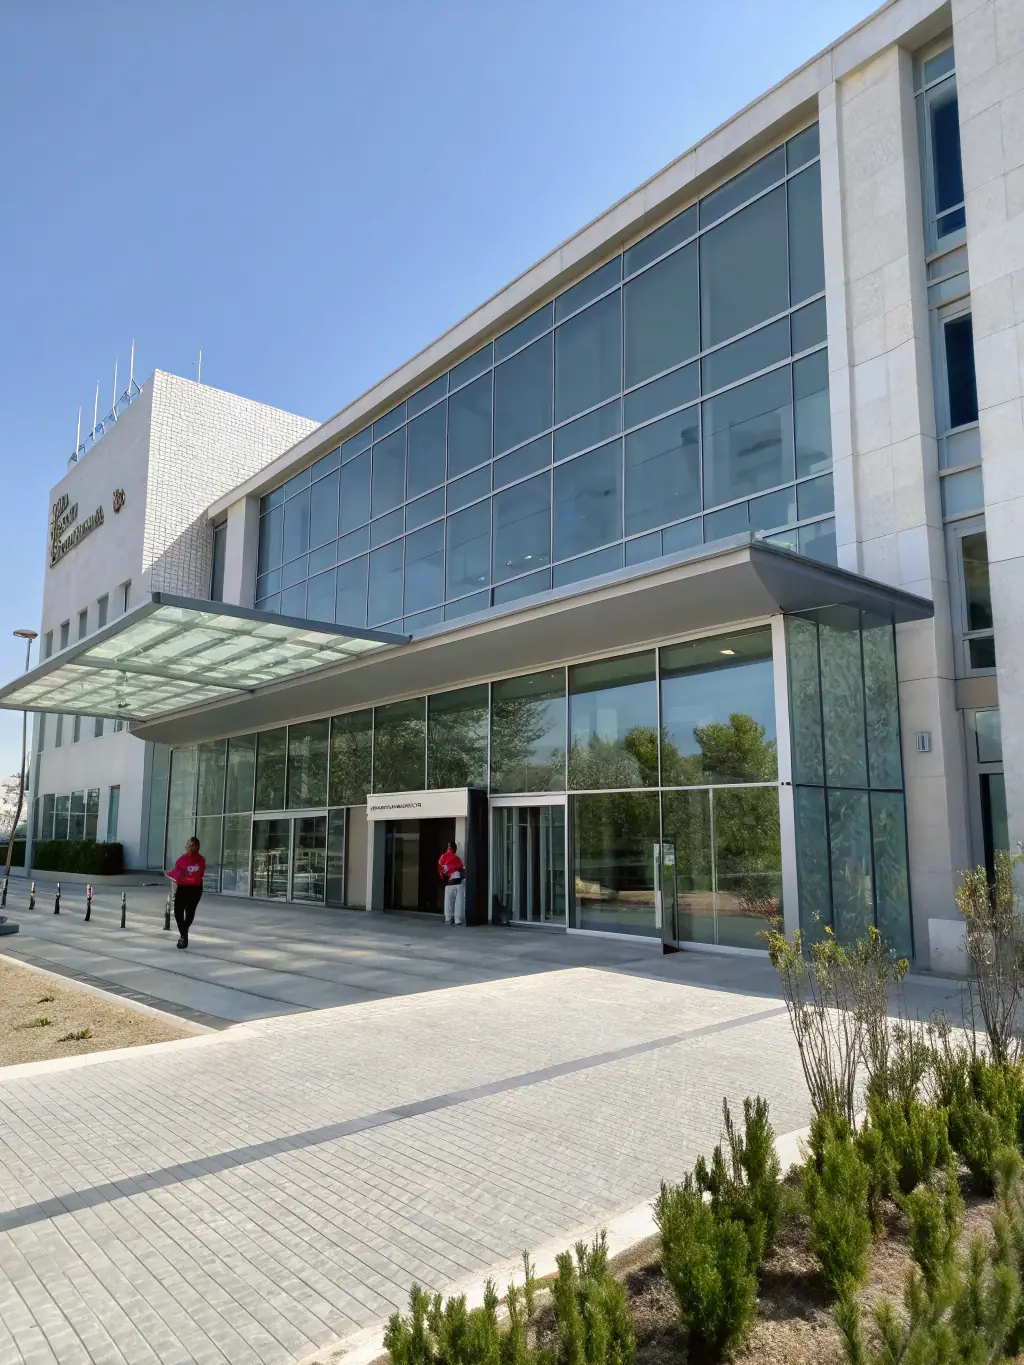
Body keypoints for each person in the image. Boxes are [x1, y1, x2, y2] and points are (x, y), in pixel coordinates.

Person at [165, 836, 206, 949]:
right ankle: (184, 935)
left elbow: (198, 876)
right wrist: (178, 877)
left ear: (197, 847)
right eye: (188, 845)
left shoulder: (201, 860)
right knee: (178, 912)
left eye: (192, 845)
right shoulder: (181, 859)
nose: (189, 847)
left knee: (190, 912)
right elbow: (175, 872)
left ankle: (183, 936)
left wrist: (186, 877)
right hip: (182, 888)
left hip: (195, 889)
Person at [438, 840, 466, 926]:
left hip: (449, 883)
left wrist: (444, 877)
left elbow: (441, 871)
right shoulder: (457, 858)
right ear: (455, 849)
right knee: (458, 903)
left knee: (448, 903)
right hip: (458, 882)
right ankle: (457, 919)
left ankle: (448, 918)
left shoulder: (442, 857)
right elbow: (461, 868)